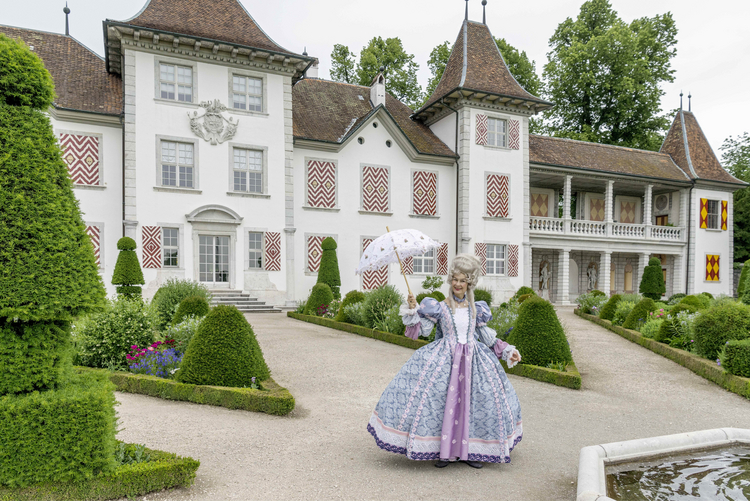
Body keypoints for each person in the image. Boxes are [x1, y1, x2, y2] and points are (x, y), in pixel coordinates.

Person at [367, 254, 523, 468]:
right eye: (455, 279)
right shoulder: (438, 307)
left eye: (463, 280)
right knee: (440, 403)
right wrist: (413, 310)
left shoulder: (476, 308)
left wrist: (507, 351)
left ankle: (471, 451)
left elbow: (487, 336)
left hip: (473, 361)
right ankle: (444, 451)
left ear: (470, 283)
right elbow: (422, 331)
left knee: (475, 403)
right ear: (451, 280)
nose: (458, 284)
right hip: (445, 359)